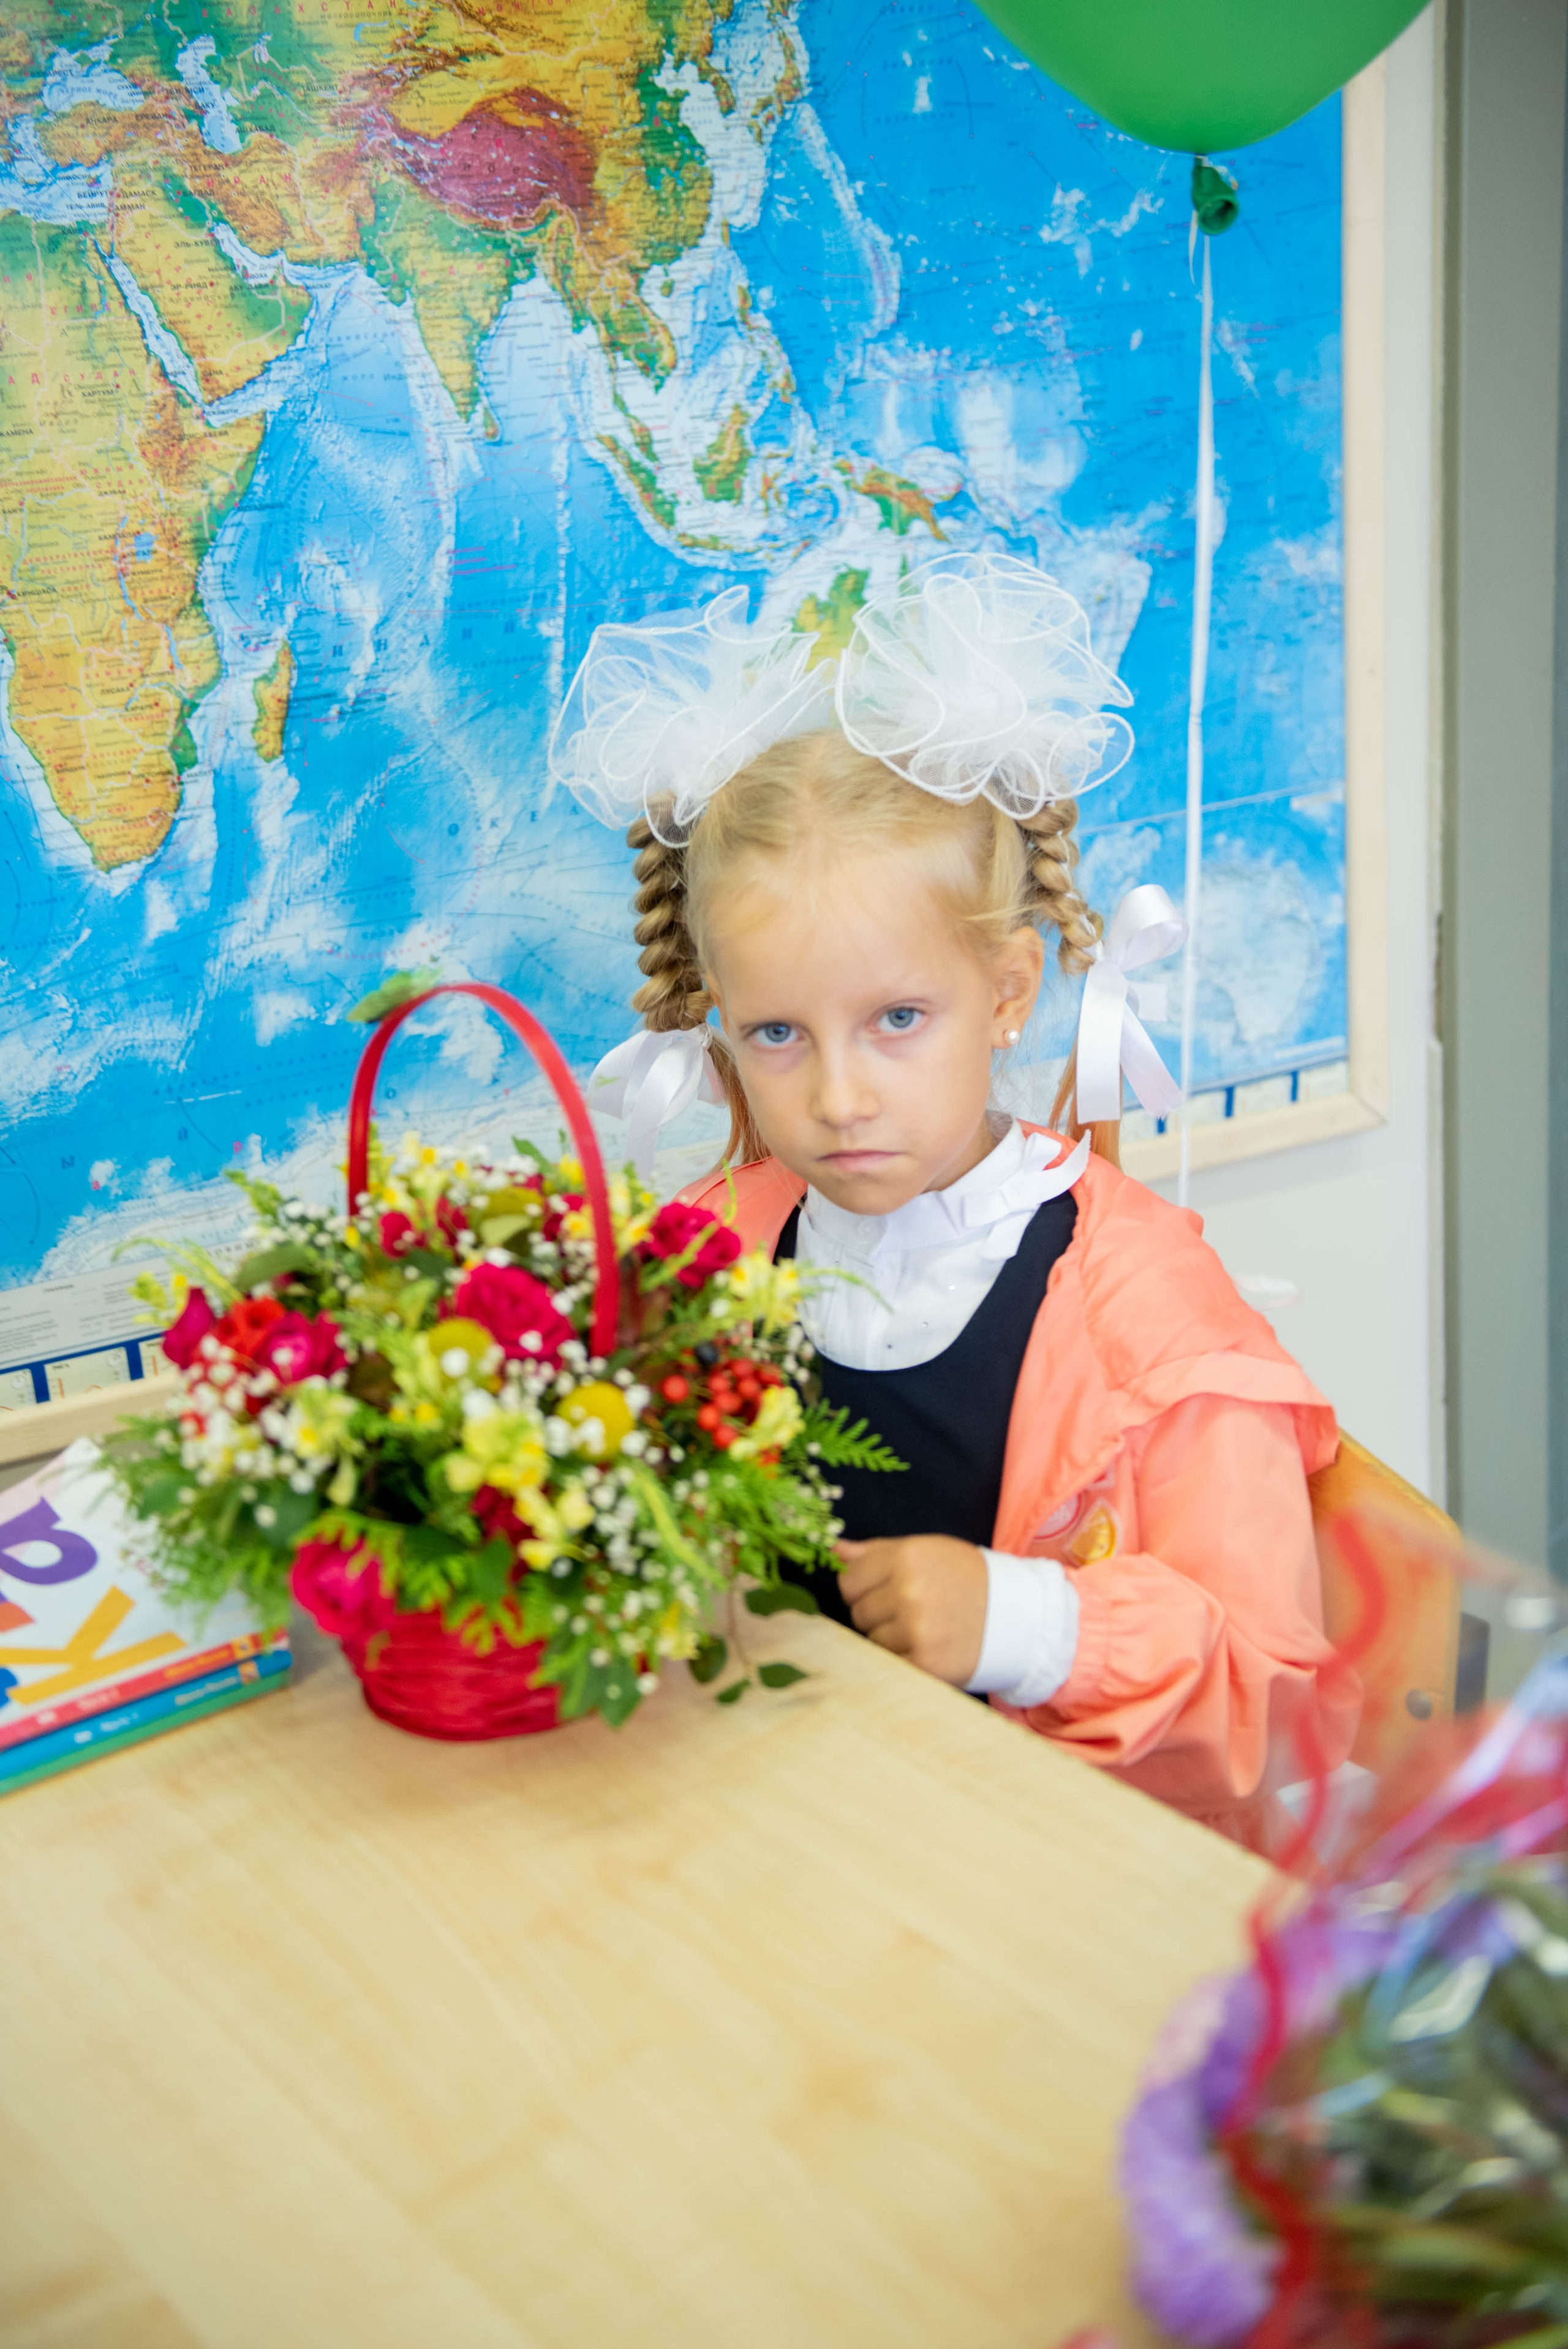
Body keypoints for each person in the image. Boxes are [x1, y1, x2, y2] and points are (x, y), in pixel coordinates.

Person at [551, 552, 1359, 1851]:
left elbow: (1271, 1693)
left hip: (1040, 1877)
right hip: (786, 1837)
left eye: (896, 1020)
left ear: (1006, 990)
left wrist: (1026, 1624)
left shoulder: (1143, 1311)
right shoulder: (712, 1252)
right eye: (774, 1033)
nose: (837, 1098)